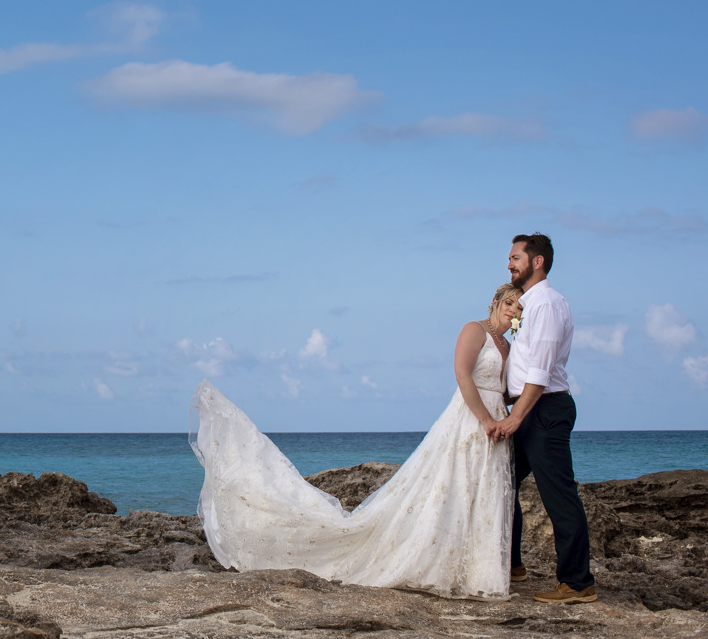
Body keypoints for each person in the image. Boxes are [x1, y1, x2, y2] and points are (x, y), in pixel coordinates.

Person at [189, 282, 523, 599]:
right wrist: (486, 420)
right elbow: (463, 375)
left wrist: (508, 416)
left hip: (498, 422)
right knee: (453, 486)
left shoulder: (508, 344)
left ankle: (478, 572)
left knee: (484, 491)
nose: (513, 310)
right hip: (471, 419)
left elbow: (506, 388)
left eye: (519, 306)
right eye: (508, 303)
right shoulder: (474, 330)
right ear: (494, 303)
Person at [488, 233, 597, 604]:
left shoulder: (547, 304)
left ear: (537, 262)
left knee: (560, 497)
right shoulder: (529, 304)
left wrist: (516, 417)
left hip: (543, 410)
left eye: (515, 257)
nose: (509, 264)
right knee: (502, 484)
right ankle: (512, 564)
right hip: (528, 408)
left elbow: (540, 370)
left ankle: (578, 583)